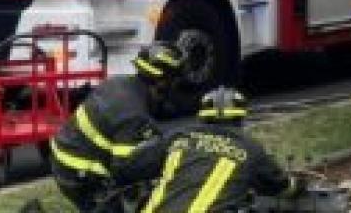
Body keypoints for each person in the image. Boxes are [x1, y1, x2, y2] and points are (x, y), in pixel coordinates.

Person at [50, 43, 191, 212]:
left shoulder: (118, 83)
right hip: (82, 177)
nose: (176, 86)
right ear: (163, 82)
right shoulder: (134, 115)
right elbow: (126, 169)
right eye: (175, 79)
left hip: (64, 161)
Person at [118, 87, 300, 213]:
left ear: (203, 118)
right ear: (240, 119)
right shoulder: (250, 149)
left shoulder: (179, 137)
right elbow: (282, 187)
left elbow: (130, 168)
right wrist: (297, 185)